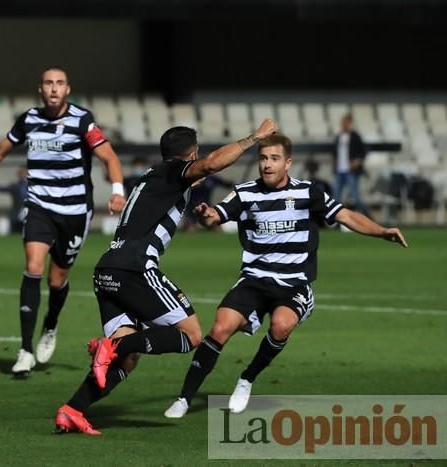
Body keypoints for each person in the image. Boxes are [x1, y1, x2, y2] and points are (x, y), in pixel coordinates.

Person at [53, 119, 279, 435]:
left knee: (128, 358)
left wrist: (190, 182)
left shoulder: (153, 177)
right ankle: (111, 347)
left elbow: (182, 182)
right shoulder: (174, 173)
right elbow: (212, 164)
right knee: (191, 335)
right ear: (191, 155)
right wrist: (254, 138)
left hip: (107, 272)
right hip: (135, 269)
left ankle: (72, 410)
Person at [163, 133, 407, 419]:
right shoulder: (245, 192)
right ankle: (184, 398)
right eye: (263, 158)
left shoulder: (307, 192)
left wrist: (382, 231)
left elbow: (346, 216)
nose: (267, 164)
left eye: (274, 159)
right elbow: (215, 216)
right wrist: (205, 214)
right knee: (220, 328)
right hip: (254, 279)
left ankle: (247, 378)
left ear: (288, 163)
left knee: (281, 326)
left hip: (293, 283)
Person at [0, 67, 127, 376]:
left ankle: (50, 325)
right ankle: (25, 350)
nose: (54, 88)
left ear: (68, 89)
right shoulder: (29, 120)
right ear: (40, 89)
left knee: (56, 279)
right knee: (33, 266)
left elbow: (109, 157)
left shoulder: (82, 120)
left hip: (75, 211)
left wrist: (117, 191)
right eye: (49, 83)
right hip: (40, 207)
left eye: (59, 83)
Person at [332, 113, 369, 216]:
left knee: (355, 195)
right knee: (336, 197)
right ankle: (336, 220)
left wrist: (357, 161)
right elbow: (335, 152)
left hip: (351, 171)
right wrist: (335, 162)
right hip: (339, 171)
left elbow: (363, 151)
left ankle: (366, 215)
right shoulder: (339, 136)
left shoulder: (355, 136)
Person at [0, 166, 28, 233]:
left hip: (31, 213)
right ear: (19, 174)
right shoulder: (15, 186)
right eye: (22, 173)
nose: (24, 175)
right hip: (17, 214)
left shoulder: (34, 186)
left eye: (25, 173)